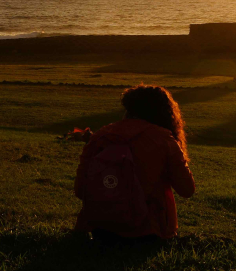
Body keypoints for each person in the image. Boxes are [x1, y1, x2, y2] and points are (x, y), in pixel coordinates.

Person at [74, 85, 195, 242]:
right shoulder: (164, 139)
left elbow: (79, 190)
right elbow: (187, 190)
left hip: (101, 229)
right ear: (165, 113)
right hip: (148, 232)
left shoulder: (101, 135)